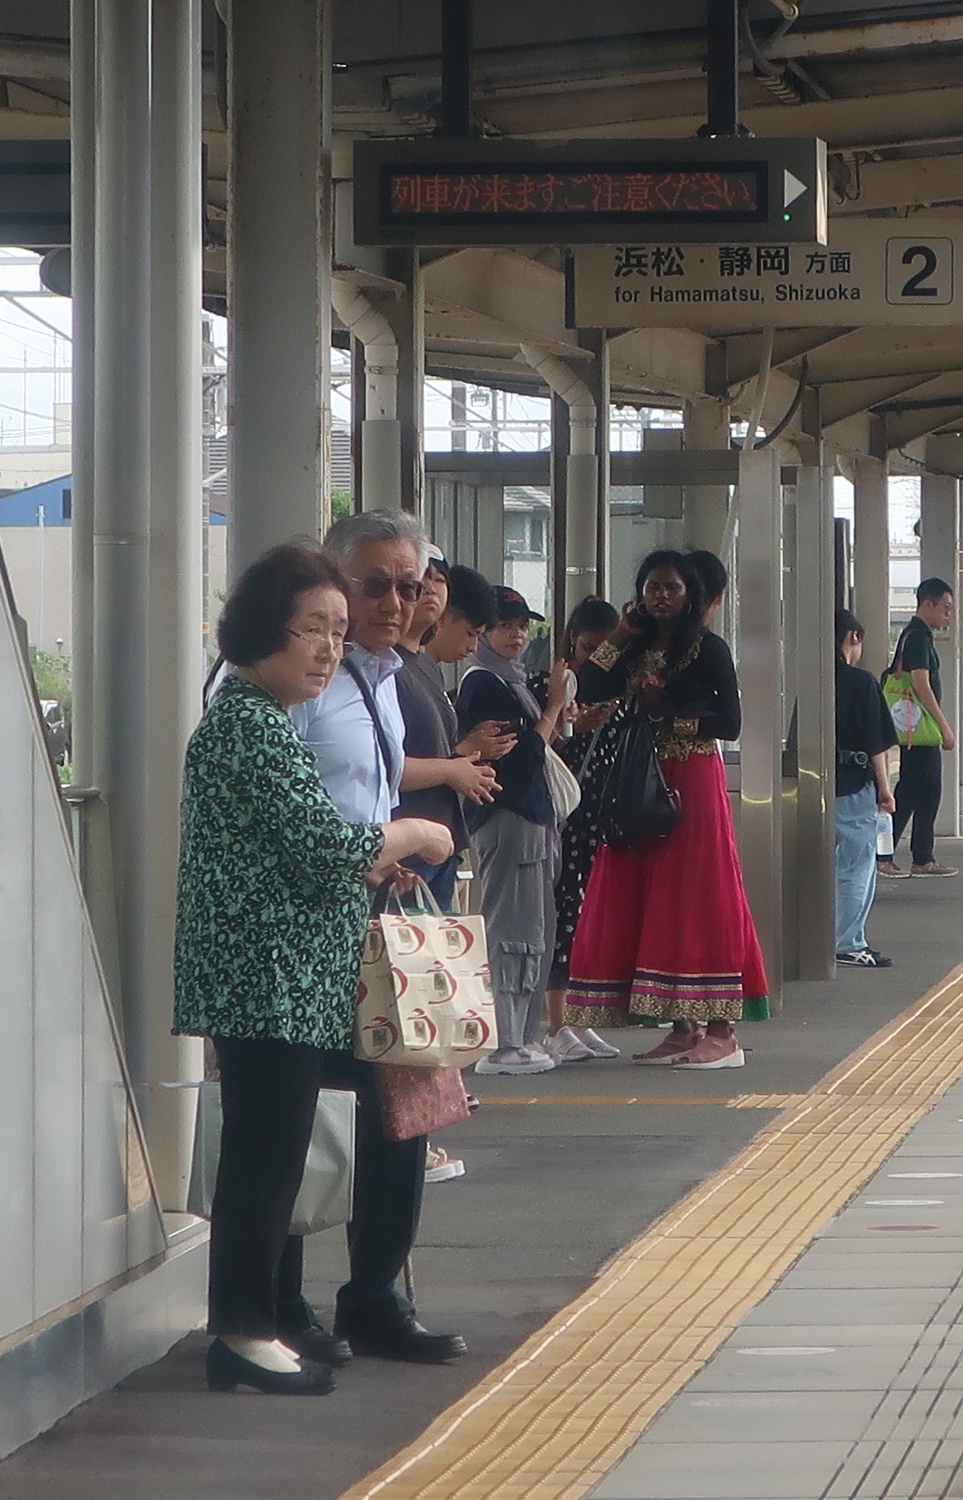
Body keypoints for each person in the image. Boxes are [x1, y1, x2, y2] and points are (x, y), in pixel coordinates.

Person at [174, 544, 455, 1397]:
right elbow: (320, 845)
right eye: (311, 630)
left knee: (317, 1127)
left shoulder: (260, 717)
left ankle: (283, 1317)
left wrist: (377, 860)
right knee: (265, 1153)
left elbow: (308, 850)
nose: (329, 648)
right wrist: (409, 836)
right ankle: (247, 1326)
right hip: (268, 977)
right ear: (262, 632)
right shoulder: (250, 723)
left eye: (336, 632)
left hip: (294, 973)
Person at [283, 508, 468, 1369]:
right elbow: (285, 807)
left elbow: (364, 791)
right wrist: (400, 841)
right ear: (332, 582)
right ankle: (279, 1301)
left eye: (409, 583)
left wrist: (387, 853)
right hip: (301, 926)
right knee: (294, 1113)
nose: (396, 601)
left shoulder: (388, 678)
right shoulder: (296, 680)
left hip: (374, 918)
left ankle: (376, 1295)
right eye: (373, 585)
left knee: (406, 1106)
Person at [565, 549, 769, 1069]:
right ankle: (681, 1027)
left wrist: (671, 717)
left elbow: (729, 723)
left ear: (689, 594)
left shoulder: (707, 647)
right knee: (652, 892)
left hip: (693, 778)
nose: (660, 596)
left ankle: (722, 1032)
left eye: (670, 588)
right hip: (643, 778)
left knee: (700, 892)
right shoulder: (635, 645)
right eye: (651, 587)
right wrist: (620, 635)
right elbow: (589, 686)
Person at [456, 586, 574, 1075]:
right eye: (506, 626)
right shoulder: (483, 684)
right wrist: (549, 712)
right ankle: (504, 1041)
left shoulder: (515, 682)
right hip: (507, 820)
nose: (517, 634)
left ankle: (523, 1036)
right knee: (511, 931)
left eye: (524, 625)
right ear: (484, 632)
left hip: (532, 821)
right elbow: (520, 759)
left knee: (534, 929)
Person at [393, 552, 510, 912]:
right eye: (419, 579)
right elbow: (384, 766)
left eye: (440, 579)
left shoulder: (424, 667)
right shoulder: (385, 668)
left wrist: (459, 760)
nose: (430, 588)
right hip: (405, 859)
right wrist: (452, 768)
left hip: (439, 848)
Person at [542, 597, 626, 1064]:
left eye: (603, 649)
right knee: (564, 914)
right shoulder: (555, 685)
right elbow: (541, 742)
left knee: (591, 917)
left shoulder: (619, 691)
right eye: (587, 646)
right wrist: (569, 720)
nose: (592, 657)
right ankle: (557, 1022)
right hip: (566, 815)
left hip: (602, 814)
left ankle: (580, 1016)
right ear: (571, 641)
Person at [876, 577, 959, 880]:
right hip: (919, 730)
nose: (948, 616)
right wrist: (944, 727)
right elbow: (921, 685)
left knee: (928, 792)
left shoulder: (914, 636)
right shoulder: (918, 638)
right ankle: (884, 855)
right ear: (928, 604)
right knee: (909, 793)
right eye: (946, 609)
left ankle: (923, 857)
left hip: (918, 729)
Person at [832, 608, 896, 968]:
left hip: (818, 783)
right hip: (855, 785)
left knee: (826, 867)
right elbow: (877, 744)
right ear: (853, 637)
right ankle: (849, 941)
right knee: (857, 867)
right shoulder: (862, 682)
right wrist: (885, 790)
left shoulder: (812, 680)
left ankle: (827, 937)